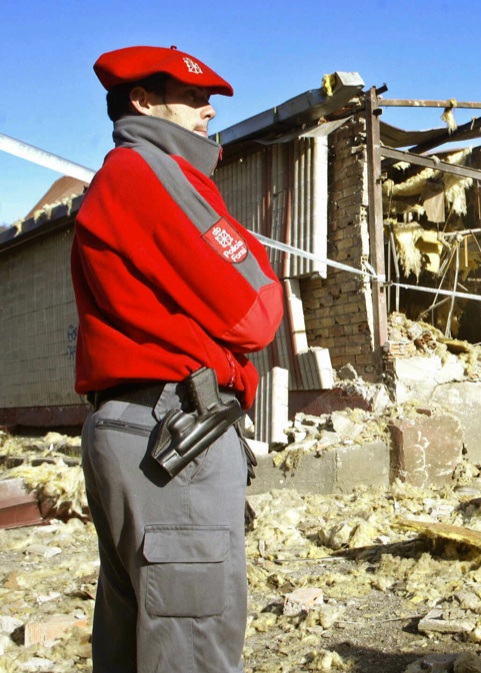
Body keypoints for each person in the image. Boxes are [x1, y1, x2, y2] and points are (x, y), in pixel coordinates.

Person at [72, 45, 284, 673]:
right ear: (142, 101)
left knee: (139, 640)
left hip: (139, 425)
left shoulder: (121, 177)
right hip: (174, 431)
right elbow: (256, 311)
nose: (207, 111)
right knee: (191, 648)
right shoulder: (152, 171)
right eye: (192, 97)